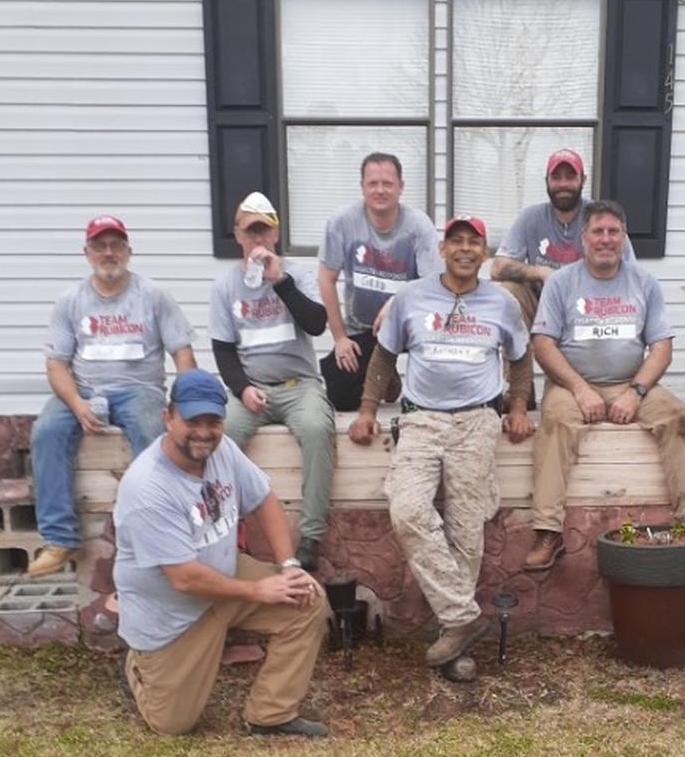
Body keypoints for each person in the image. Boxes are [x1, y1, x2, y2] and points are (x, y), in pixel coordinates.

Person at [347, 216, 532, 668]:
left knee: (467, 534)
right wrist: (368, 410)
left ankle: (454, 645)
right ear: (442, 248)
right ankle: (464, 617)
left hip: (476, 423)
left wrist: (519, 406)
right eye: (456, 241)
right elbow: (384, 356)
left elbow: (521, 358)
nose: (465, 249)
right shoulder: (411, 296)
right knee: (408, 509)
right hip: (420, 422)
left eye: (474, 242)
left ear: (485, 251)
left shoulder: (502, 303)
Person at [114, 370, 327, 738]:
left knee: (307, 599)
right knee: (173, 725)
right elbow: (183, 578)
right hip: (173, 612)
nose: (203, 431)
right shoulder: (148, 487)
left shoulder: (222, 448)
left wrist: (289, 566)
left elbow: (263, 498)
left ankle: (270, 714)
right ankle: (139, 666)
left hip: (224, 579)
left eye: (213, 420)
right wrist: (260, 591)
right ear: (168, 418)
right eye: (192, 420)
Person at [524, 199, 685, 572]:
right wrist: (580, 389)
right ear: (584, 238)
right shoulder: (561, 283)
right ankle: (548, 532)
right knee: (555, 426)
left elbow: (661, 347)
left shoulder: (643, 283)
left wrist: (636, 391)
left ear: (624, 237)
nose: (605, 239)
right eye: (597, 231)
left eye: (613, 232)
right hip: (571, 383)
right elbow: (543, 345)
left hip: (631, 382)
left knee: (684, 421)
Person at [28, 215, 197, 577]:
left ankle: (159, 532)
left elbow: (182, 352)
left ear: (128, 251)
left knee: (155, 436)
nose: (109, 252)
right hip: (85, 390)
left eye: (116, 245)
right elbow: (56, 364)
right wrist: (76, 404)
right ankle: (60, 539)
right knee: (46, 432)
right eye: (100, 246)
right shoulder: (70, 301)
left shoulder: (153, 296)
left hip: (140, 391)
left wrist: (188, 403)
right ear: (86, 252)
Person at [210, 191, 333, 573]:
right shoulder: (225, 286)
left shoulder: (295, 274)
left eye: (264, 232)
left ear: (275, 234)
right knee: (220, 436)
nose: (258, 241)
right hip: (251, 388)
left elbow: (317, 323)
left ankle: (311, 534)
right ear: (238, 235)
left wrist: (280, 281)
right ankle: (231, 527)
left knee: (317, 430)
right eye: (251, 232)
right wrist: (242, 389)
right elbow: (223, 350)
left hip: (299, 385)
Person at [317, 153, 442, 410]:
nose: (380, 190)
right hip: (363, 327)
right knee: (340, 395)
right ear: (362, 186)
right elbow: (326, 280)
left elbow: (434, 283)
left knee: (433, 393)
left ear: (401, 187)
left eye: (387, 183)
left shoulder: (418, 225)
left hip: (411, 324)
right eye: (373, 183)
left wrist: (397, 302)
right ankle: (387, 379)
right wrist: (340, 338)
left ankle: (393, 372)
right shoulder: (342, 222)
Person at [491, 148, 631, 329]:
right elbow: (497, 268)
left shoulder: (600, 217)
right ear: (547, 181)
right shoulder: (530, 217)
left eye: (570, 176)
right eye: (556, 177)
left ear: (583, 180)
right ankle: (520, 356)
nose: (563, 184)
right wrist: (542, 273)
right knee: (509, 291)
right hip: (541, 304)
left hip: (590, 305)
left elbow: (629, 272)